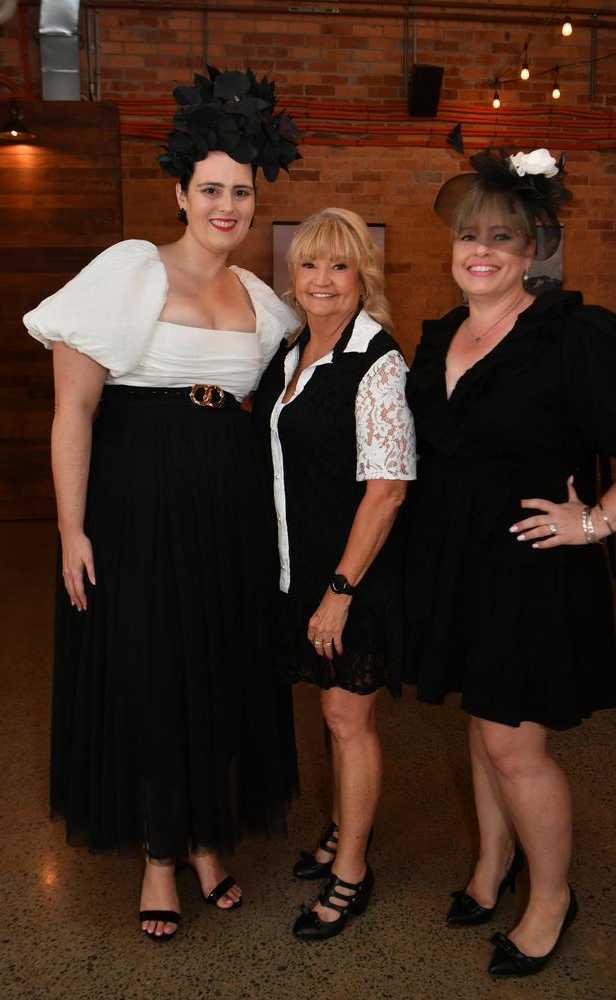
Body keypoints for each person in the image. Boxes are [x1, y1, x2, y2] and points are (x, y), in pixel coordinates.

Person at [23, 66, 301, 942]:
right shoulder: (128, 272)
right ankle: (158, 854)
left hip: (230, 516)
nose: (228, 205)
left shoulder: (260, 300)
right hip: (139, 510)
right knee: (152, 676)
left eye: (241, 192)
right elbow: (73, 407)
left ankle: (211, 839)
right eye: (211, 189)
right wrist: (71, 530)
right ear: (181, 193)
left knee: (220, 668)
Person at [404, 147, 616, 976]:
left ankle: (553, 898)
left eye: (502, 236)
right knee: (482, 721)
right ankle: (492, 867)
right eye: (468, 237)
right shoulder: (443, 332)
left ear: (534, 250)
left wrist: (595, 522)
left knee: (512, 743)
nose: (480, 250)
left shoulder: (574, 334)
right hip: (458, 562)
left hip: (533, 564)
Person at [254, 208, 417, 940]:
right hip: (303, 570)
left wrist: (341, 593)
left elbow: (387, 491)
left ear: (363, 277)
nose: (323, 280)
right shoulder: (291, 353)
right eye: (310, 265)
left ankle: (352, 870)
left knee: (350, 719)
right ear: (294, 276)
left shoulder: (378, 362)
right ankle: (339, 831)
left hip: (351, 579)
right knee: (329, 711)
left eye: (339, 266)